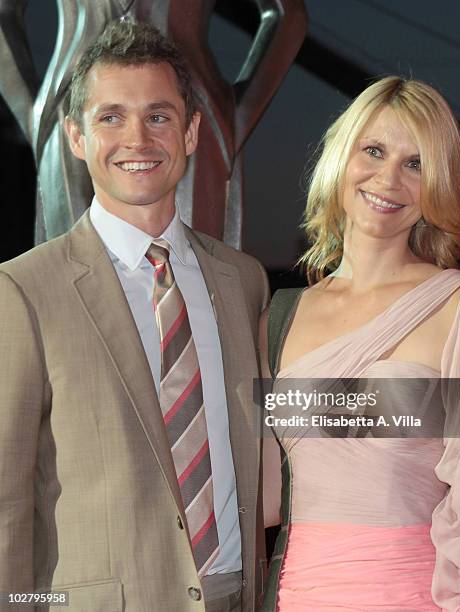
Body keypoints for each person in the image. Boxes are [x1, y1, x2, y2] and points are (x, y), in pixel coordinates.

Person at [0, 21, 269, 612]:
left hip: (235, 594)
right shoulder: (23, 290)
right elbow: (7, 500)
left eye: (158, 116)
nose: (137, 139)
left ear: (191, 131)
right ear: (75, 136)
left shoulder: (243, 280)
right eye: (110, 117)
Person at [260, 77, 460, 610]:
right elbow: (259, 495)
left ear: (438, 182)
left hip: (415, 596)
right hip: (295, 593)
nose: (388, 178)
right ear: (341, 158)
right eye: (373, 151)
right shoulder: (280, 316)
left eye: (415, 164)